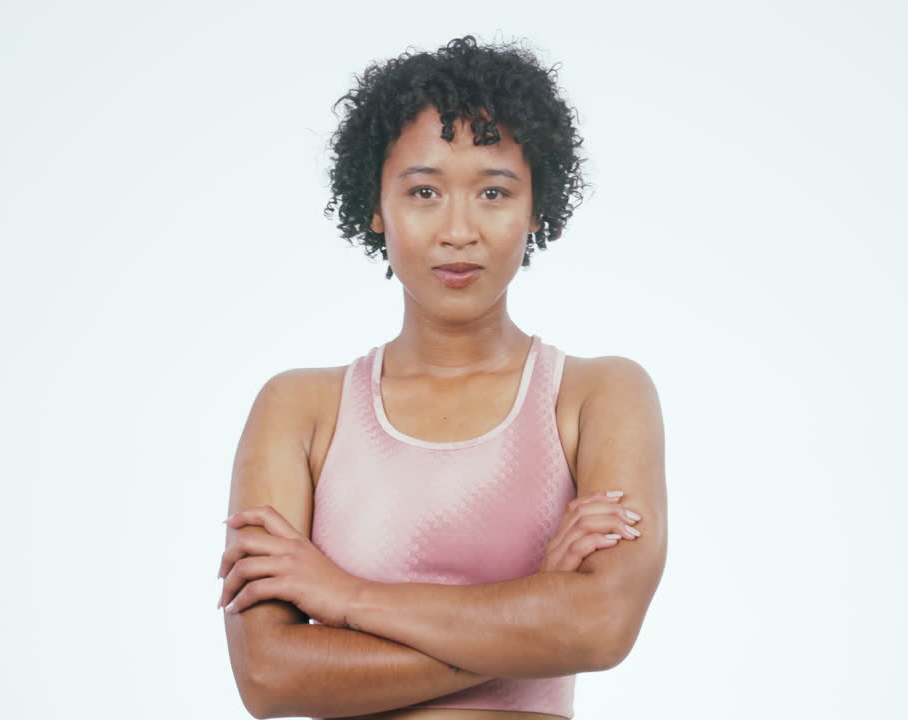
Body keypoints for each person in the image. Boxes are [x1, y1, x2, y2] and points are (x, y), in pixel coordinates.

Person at [217, 35, 667, 720]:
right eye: (424, 191)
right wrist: (531, 613)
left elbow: (601, 625)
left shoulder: (598, 396)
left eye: (493, 191)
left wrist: (346, 600)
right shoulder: (300, 409)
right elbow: (270, 675)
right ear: (376, 206)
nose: (459, 230)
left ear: (535, 209)